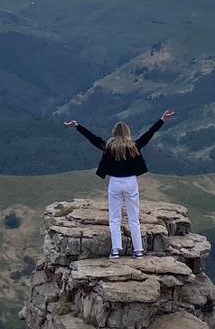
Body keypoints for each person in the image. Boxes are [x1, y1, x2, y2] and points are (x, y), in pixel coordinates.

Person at [64, 110, 175, 258]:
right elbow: (149, 133)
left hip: (115, 183)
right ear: (128, 132)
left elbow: (93, 138)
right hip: (131, 182)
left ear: (114, 133)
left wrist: (77, 126)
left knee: (115, 218)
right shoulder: (134, 146)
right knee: (133, 218)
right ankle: (138, 250)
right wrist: (162, 119)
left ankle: (116, 250)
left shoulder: (109, 146)